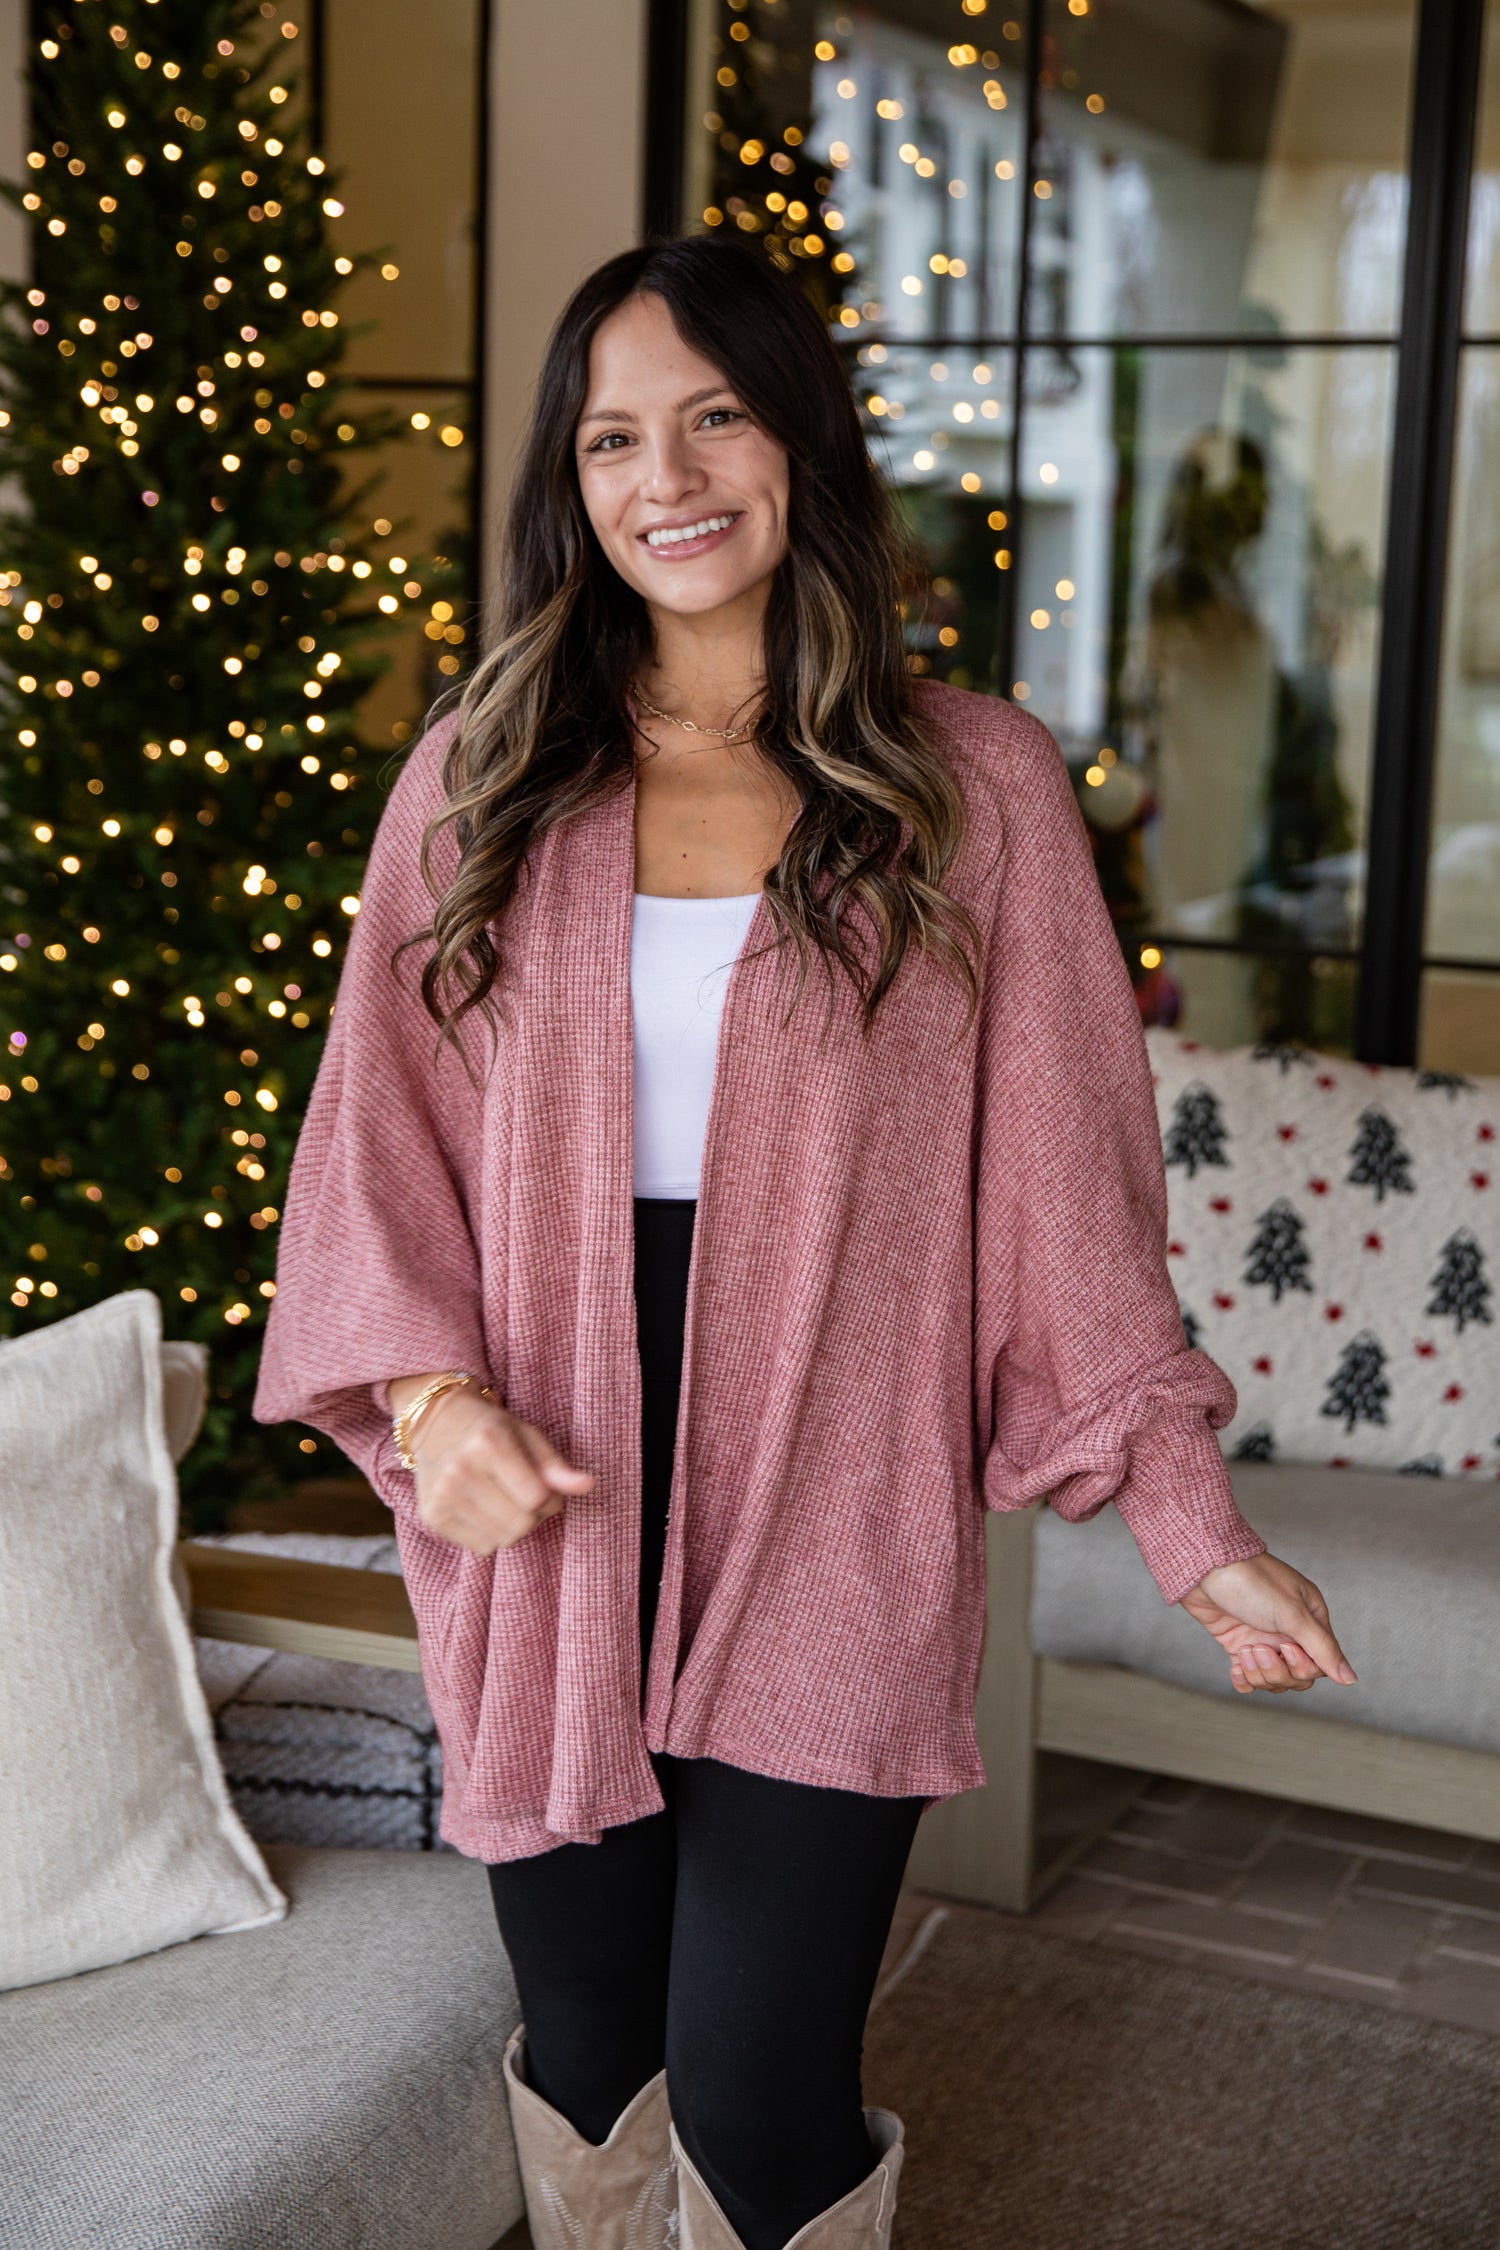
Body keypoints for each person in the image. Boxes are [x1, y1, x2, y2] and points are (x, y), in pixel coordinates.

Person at [255, 237, 1356, 2250]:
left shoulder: (977, 790)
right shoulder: (484, 777)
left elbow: (1064, 1201)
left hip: (840, 1509)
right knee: (587, 2048)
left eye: (713, 417)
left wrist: (1198, 1525)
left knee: (762, 2086)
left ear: (800, 444)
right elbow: (375, 1145)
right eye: (609, 437)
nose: (663, 476)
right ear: (566, 486)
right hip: (548, 1507)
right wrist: (430, 1398)